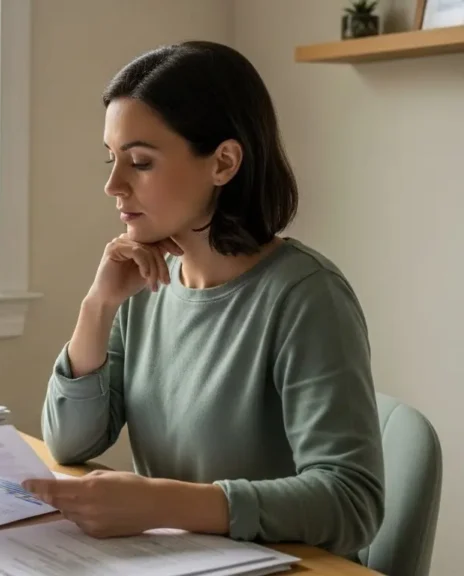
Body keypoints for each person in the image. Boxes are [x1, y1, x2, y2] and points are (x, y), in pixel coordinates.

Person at [21, 40, 385, 558]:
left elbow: (351, 504)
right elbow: (71, 443)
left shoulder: (307, 297)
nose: (112, 185)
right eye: (111, 159)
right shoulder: (146, 284)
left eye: (140, 162)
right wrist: (97, 306)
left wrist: (162, 504)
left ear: (223, 163)